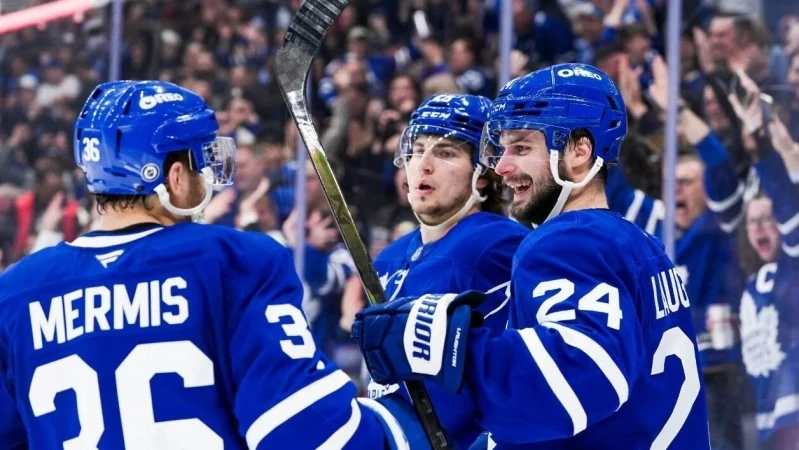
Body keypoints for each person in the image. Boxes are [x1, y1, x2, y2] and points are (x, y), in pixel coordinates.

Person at [0, 80, 429, 449]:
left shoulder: (15, 291)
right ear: (173, 177)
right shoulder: (233, 260)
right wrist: (405, 419)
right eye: (200, 162)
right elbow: (308, 433)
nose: (207, 175)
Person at [352, 63, 711, 448]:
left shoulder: (567, 243)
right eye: (502, 148)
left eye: (522, 147)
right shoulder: (636, 242)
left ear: (579, 151)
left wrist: (445, 347)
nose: (502, 167)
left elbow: (583, 376)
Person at [368, 93, 529, 449]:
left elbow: (513, 372)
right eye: (417, 150)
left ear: (483, 175)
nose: (423, 165)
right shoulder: (390, 257)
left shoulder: (498, 245)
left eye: (445, 153)